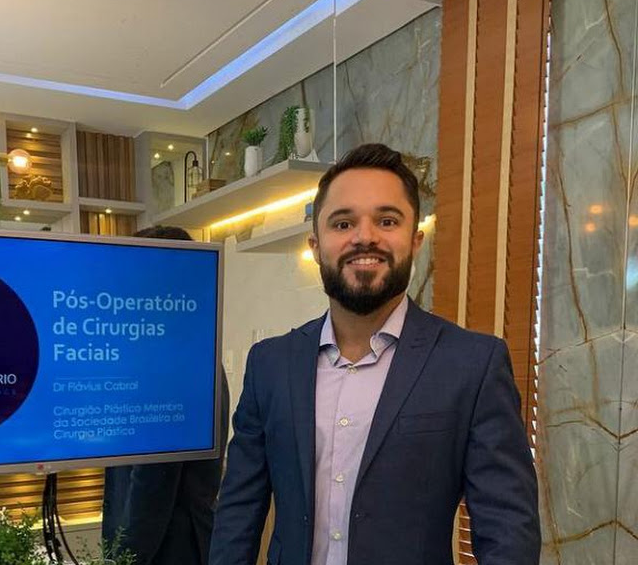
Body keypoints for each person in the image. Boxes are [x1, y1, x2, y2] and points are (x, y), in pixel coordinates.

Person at [209, 144, 540, 565]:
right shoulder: (270, 364)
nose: (364, 237)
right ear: (316, 245)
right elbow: (238, 512)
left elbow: (508, 530)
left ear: (415, 241)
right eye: (343, 222)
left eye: (387, 220)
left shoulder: (471, 365)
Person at [102, 225, 230, 565]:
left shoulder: (172, 360)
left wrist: (125, 557)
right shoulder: (187, 348)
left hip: (169, 547)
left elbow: (152, 484)